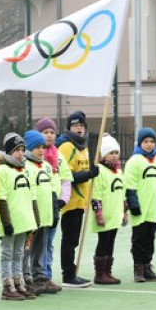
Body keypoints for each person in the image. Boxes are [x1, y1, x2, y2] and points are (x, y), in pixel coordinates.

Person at [56, 111, 98, 288]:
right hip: (70, 201)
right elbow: (66, 175)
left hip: (81, 201)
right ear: (69, 128)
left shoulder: (84, 147)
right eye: (75, 126)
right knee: (69, 239)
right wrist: (88, 175)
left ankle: (73, 272)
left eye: (81, 125)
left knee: (74, 239)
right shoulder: (66, 147)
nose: (79, 128)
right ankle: (68, 274)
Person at [0, 133, 39, 300]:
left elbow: (31, 195)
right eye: (17, 150)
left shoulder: (26, 170)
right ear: (9, 152)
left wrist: (35, 217)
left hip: (25, 220)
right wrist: (7, 222)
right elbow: (1, 197)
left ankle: (18, 283)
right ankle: (7, 286)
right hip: (11, 221)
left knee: (19, 253)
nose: (21, 153)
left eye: (22, 150)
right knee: (8, 253)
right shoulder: (2, 170)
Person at [124, 127, 156, 283]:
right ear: (140, 143)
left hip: (154, 208)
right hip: (141, 208)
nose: (149, 145)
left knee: (150, 238)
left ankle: (147, 266)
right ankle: (138, 268)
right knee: (139, 239)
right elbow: (130, 183)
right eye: (146, 142)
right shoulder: (134, 161)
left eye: (152, 142)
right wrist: (133, 204)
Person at [35, 117, 69, 293]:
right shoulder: (35, 157)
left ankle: (46, 275)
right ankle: (36, 275)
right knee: (38, 243)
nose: (49, 136)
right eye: (45, 132)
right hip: (39, 207)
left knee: (49, 242)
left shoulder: (59, 156)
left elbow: (66, 179)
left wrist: (63, 198)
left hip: (54, 207)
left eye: (52, 132)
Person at [90, 134, 126, 285]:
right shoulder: (100, 171)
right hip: (105, 215)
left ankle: (108, 271)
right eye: (111, 153)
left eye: (116, 152)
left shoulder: (118, 171)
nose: (114, 156)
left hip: (115, 214)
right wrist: (98, 214)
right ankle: (100, 273)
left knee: (111, 242)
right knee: (103, 242)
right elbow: (96, 193)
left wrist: (124, 212)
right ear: (104, 154)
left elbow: (122, 193)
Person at [22, 129, 53, 295]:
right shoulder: (27, 167)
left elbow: (52, 189)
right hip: (32, 217)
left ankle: (39, 276)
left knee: (41, 247)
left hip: (45, 217)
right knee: (27, 248)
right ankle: (26, 278)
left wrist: (53, 211)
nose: (41, 150)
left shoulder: (47, 166)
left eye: (43, 147)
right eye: (37, 147)